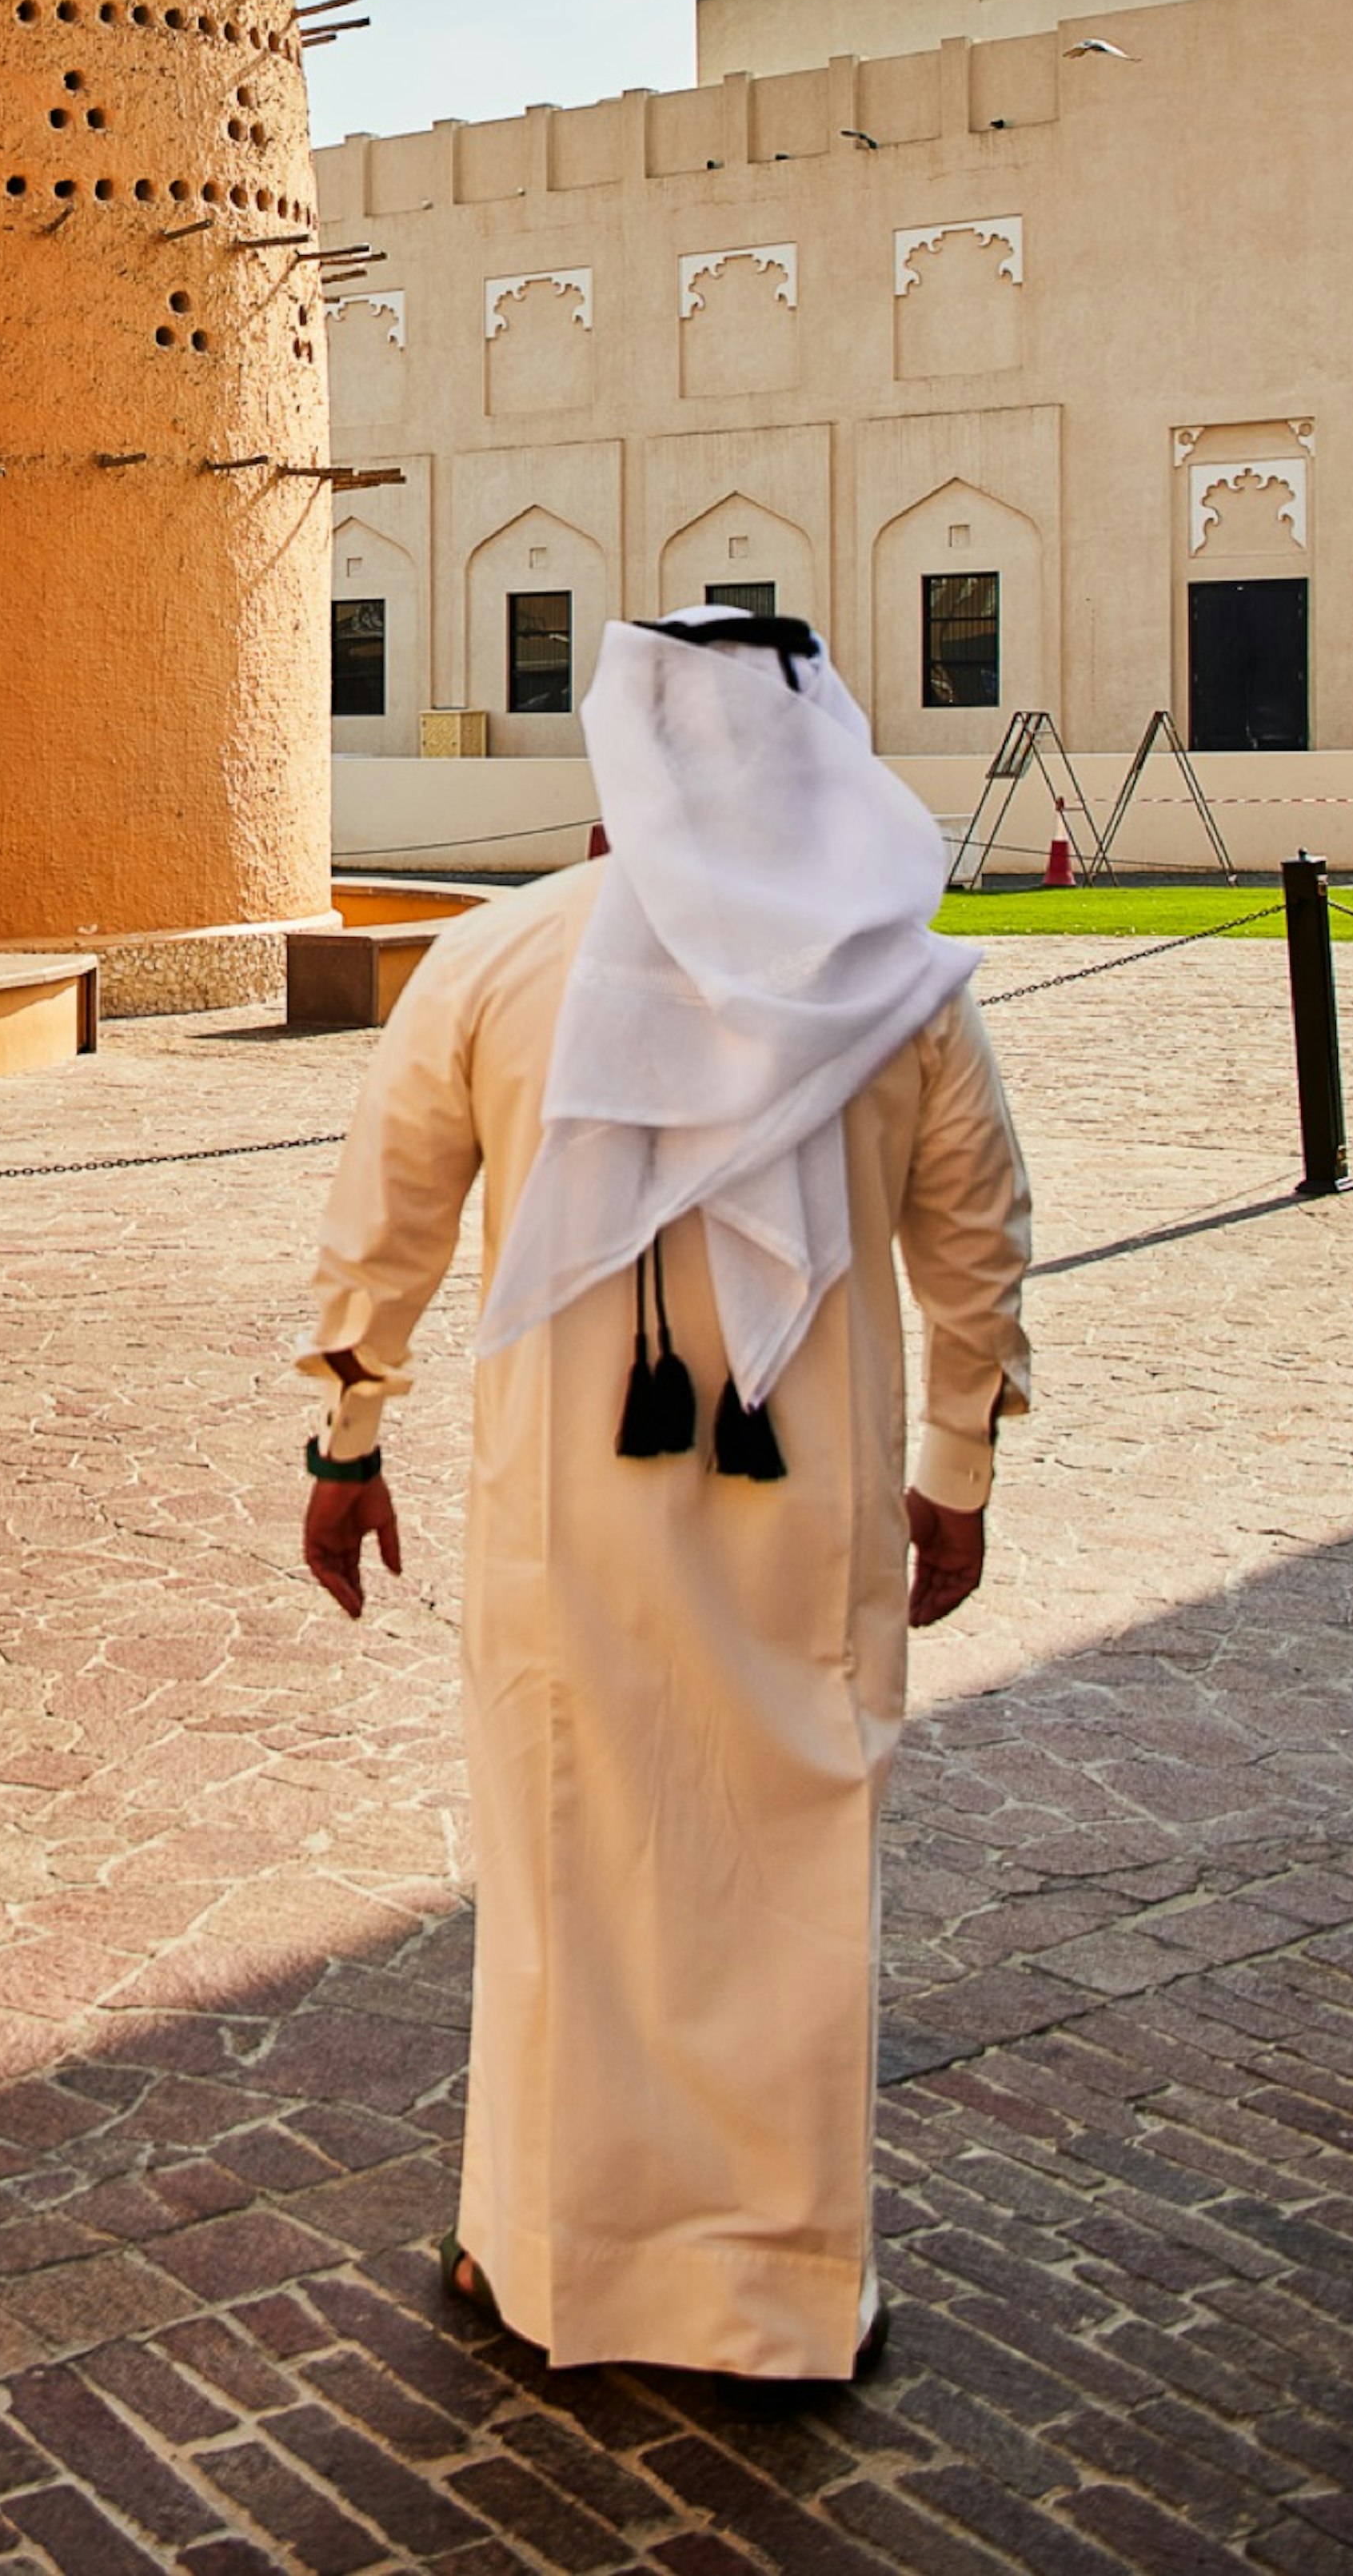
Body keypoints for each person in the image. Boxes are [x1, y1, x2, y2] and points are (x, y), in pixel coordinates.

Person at [299, 608, 1032, 2387]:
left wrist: (348, 1447)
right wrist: (953, 1473)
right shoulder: (905, 988)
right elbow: (977, 1250)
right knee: (784, 1861)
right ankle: (780, 2291)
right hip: (815, 1515)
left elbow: (382, 1233)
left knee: (577, 1864)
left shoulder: (496, 958)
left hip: (576, 1521)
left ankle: (553, 2263)